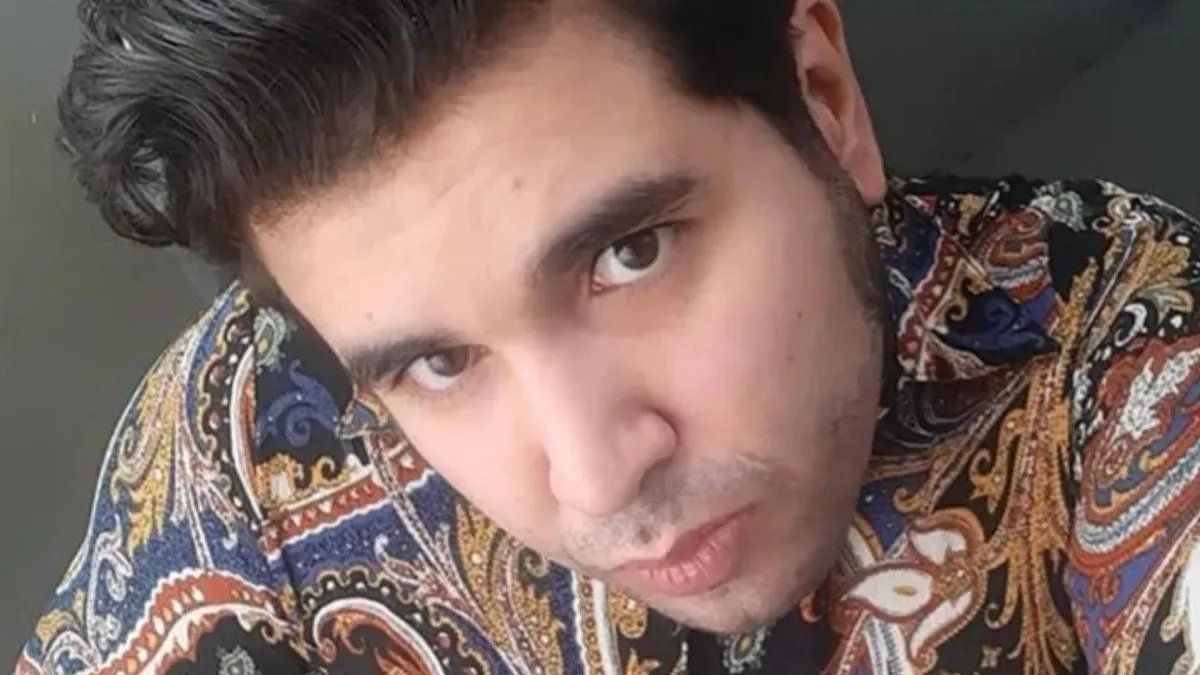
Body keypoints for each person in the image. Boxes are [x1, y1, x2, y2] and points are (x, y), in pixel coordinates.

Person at [13, 0, 1200, 672]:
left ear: (825, 101)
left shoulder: (1130, 373)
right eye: (437, 364)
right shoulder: (250, 433)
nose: (596, 476)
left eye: (631, 254)